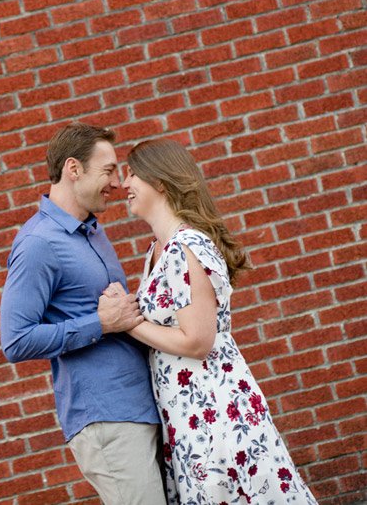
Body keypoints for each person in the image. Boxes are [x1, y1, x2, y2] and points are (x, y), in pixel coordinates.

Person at [112, 138, 317, 504]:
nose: (124, 184)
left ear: (159, 182)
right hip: (186, 413)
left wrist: (126, 322)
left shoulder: (186, 246)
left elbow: (197, 341)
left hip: (215, 411)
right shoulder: (157, 251)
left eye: (132, 174)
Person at [0, 123, 166, 505]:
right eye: (108, 171)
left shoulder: (91, 231)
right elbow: (15, 340)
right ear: (73, 169)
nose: (117, 184)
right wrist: (101, 323)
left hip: (140, 407)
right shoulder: (38, 243)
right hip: (107, 419)